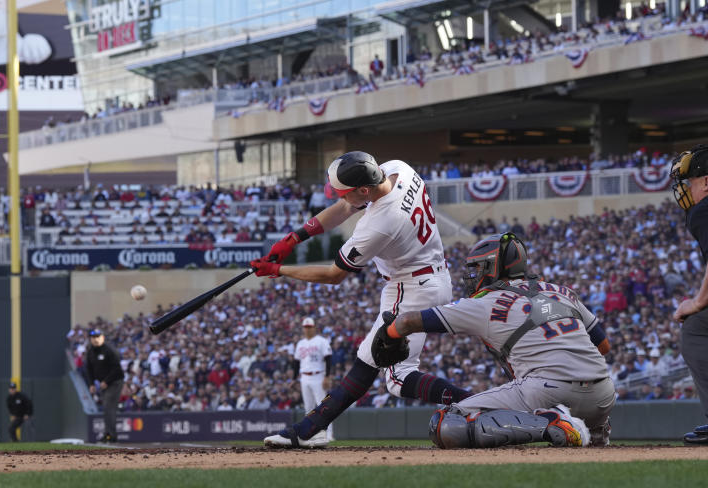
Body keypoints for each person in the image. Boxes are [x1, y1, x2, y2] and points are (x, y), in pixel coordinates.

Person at [253, 151, 470, 448]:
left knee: (395, 378)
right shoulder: (398, 168)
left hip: (411, 287)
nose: (340, 197)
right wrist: (293, 238)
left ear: (363, 190)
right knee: (371, 362)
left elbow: (333, 275)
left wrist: (278, 270)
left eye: (345, 191)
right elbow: (345, 206)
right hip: (428, 276)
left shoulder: (379, 223)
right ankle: (307, 429)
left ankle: (476, 403)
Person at [377, 232, 615, 448]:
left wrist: (390, 335)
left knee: (446, 422)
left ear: (493, 267)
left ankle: (554, 423)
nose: (472, 274)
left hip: (547, 390)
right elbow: (603, 346)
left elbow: (407, 321)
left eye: (477, 267)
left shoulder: (485, 303)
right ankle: (594, 428)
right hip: (602, 395)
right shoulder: (561, 291)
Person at [669, 144, 708, 444]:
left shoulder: (704, 209)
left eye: (690, 182)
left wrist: (697, 302)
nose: (685, 191)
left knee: (695, 328)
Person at [293, 317, 334, 441]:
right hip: (304, 377)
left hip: (318, 376)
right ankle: (310, 434)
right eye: (305, 327)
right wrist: (294, 379)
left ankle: (329, 434)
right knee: (309, 408)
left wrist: (327, 376)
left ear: (314, 327)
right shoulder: (300, 343)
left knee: (323, 407)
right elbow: (296, 362)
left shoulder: (321, 341)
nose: (307, 329)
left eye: (309, 327)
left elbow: (328, 359)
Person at [84, 328, 124, 443]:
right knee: (107, 408)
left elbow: (117, 369)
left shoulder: (109, 350)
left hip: (115, 382)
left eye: (98, 336)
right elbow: (89, 369)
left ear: (103, 337)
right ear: (90, 339)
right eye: (93, 337)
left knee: (108, 407)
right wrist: (91, 384)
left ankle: (111, 435)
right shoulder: (91, 351)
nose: (96, 339)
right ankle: (108, 434)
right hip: (103, 384)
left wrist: (106, 381)